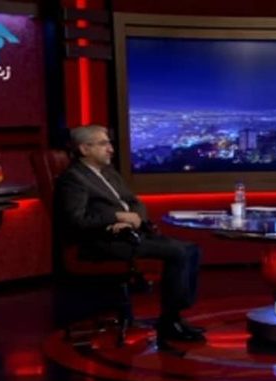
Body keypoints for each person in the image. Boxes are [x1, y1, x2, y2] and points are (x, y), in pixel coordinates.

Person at [55, 125, 204, 346]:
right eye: (103, 144)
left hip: (129, 233)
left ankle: (176, 315)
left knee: (192, 249)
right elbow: (75, 221)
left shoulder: (108, 172)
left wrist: (135, 219)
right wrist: (116, 217)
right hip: (101, 242)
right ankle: (171, 321)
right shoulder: (73, 179)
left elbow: (135, 202)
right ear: (84, 149)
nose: (111, 149)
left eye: (109, 143)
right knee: (178, 252)